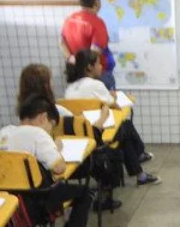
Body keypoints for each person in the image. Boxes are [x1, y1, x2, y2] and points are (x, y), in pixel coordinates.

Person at [0, 95, 94, 227]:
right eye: (51, 127)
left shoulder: (3, 133)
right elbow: (59, 168)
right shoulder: (37, 134)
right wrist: (57, 149)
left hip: (5, 209)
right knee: (85, 193)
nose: (50, 132)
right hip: (34, 206)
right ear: (43, 118)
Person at [17, 63, 122, 211]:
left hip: (31, 176)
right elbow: (88, 134)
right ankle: (106, 196)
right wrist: (103, 118)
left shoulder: (23, 117)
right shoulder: (56, 112)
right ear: (46, 86)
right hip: (67, 166)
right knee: (110, 153)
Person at [65, 50, 161, 186]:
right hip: (99, 133)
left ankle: (140, 173)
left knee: (125, 134)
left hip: (78, 135)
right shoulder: (96, 85)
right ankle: (140, 156)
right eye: (98, 64)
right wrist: (114, 97)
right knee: (125, 126)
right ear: (89, 67)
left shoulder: (69, 89)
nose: (101, 67)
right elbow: (115, 106)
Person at [60, 0, 116, 91]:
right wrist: (90, 72)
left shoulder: (69, 20)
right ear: (97, 2)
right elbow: (94, 53)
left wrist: (71, 59)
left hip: (78, 76)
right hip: (98, 76)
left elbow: (62, 43)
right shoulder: (97, 23)